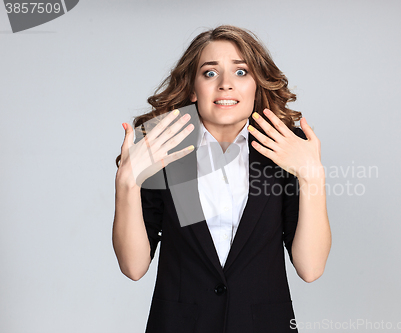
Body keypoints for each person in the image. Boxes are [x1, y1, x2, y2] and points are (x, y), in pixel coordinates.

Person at [112, 25, 331, 333]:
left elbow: (310, 269)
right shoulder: (162, 147)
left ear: (257, 85)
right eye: (210, 73)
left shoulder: (283, 147)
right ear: (192, 88)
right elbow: (134, 267)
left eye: (241, 73)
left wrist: (313, 177)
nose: (226, 85)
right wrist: (127, 182)